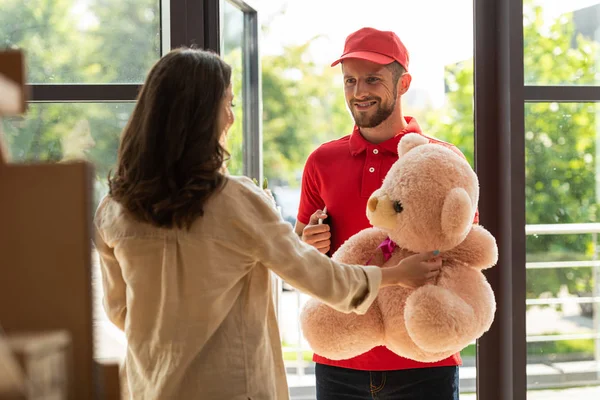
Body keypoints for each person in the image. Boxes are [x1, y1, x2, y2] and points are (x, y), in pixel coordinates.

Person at [93, 47, 443, 400]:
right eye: (227, 104)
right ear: (201, 116)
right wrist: (397, 274)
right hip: (232, 387)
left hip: (150, 387)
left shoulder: (113, 210)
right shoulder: (235, 201)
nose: (230, 118)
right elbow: (322, 279)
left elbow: (121, 311)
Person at [295, 27, 478, 400]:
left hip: (424, 360)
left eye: (373, 80)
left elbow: (464, 253)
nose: (359, 91)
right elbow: (299, 257)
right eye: (350, 81)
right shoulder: (321, 161)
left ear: (404, 83)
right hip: (339, 359)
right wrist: (308, 241)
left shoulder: (439, 160)